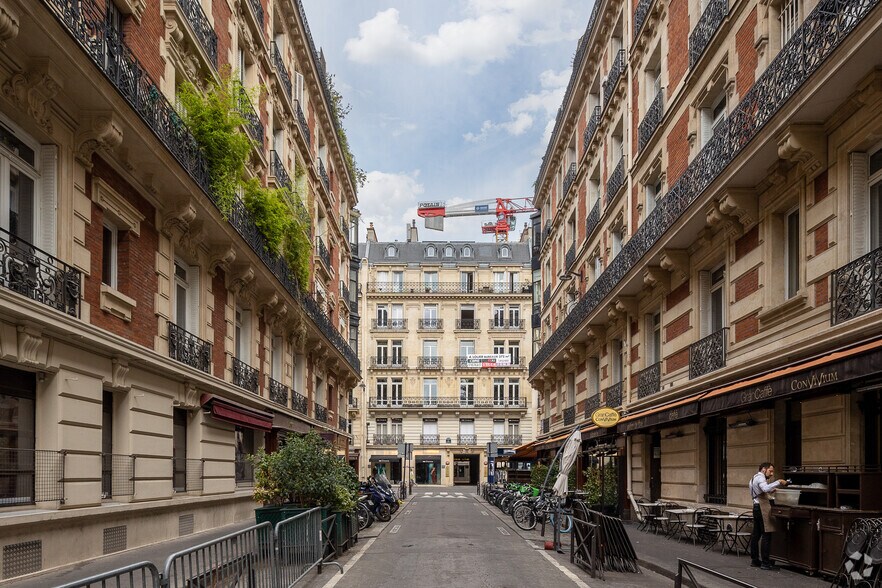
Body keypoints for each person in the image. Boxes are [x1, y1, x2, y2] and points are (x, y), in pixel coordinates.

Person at [749, 462, 789, 570]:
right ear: (763, 469)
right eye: (770, 471)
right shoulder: (760, 478)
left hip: (756, 507)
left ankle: (755, 560)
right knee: (766, 534)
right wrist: (779, 481)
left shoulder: (753, 478)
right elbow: (765, 489)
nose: (771, 474)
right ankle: (765, 563)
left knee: (756, 535)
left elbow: (762, 490)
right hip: (762, 508)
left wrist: (771, 490)